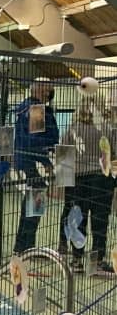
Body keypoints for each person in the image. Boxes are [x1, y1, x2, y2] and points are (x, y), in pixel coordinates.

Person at [58, 98, 115, 273]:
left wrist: (64, 184)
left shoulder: (73, 129)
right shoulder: (107, 129)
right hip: (101, 179)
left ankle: (76, 259)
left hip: (78, 179)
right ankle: (96, 261)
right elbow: (114, 154)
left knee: (78, 219)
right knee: (100, 220)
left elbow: (63, 156)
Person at [13, 78, 59, 253]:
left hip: (27, 161)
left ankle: (23, 245)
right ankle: (26, 246)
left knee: (30, 205)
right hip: (34, 163)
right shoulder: (37, 111)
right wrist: (47, 160)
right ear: (38, 90)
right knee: (34, 206)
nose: (49, 94)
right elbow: (36, 141)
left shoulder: (24, 107)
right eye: (47, 90)